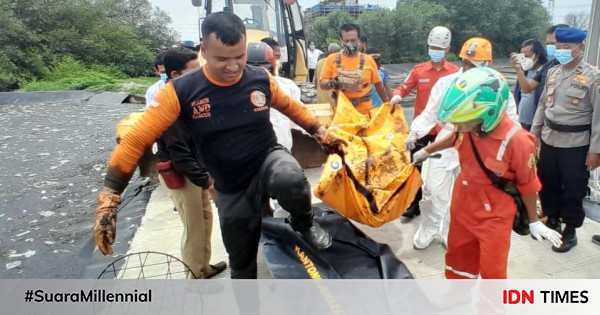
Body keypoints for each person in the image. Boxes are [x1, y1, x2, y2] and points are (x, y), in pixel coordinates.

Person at [93, 12, 345, 279]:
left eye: (239, 57)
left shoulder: (259, 78)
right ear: (203, 50)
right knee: (242, 262)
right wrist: (109, 198)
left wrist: (321, 132)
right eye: (222, 59)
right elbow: (136, 139)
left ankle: (304, 223)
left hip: (267, 158)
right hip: (230, 183)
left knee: (291, 178)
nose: (233, 67)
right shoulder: (180, 91)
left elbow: (291, 107)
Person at [413, 67, 562, 278]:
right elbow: (456, 137)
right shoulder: (470, 125)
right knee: (457, 259)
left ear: (488, 113)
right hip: (463, 206)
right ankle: (459, 297)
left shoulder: (517, 141)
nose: (457, 125)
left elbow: (528, 185)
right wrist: (427, 151)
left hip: (494, 216)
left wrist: (534, 220)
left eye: (461, 121)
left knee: (493, 270)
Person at [407, 37, 519, 249]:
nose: (466, 68)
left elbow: (512, 121)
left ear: (487, 64)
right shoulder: (447, 83)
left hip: (478, 149)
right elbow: (429, 115)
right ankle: (429, 228)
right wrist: (413, 134)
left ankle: (451, 232)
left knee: (464, 198)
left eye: (472, 64)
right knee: (432, 190)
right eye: (464, 63)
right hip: (446, 142)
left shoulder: (498, 89)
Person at [155, 47, 227, 279]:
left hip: (195, 170)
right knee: (193, 227)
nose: (200, 76)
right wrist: (207, 182)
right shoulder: (169, 104)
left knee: (205, 218)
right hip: (183, 174)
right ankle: (194, 276)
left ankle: (203, 267)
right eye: (193, 72)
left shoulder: (188, 97)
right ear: (175, 75)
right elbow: (180, 155)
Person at [530, 27, 600, 253]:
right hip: (550, 138)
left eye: (566, 48)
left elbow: (599, 116)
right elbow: (542, 106)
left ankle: (570, 229)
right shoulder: (553, 73)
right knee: (547, 182)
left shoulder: (593, 77)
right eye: (558, 47)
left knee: (573, 188)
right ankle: (552, 219)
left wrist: (596, 150)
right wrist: (534, 136)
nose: (561, 51)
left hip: (576, 143)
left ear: (580, 48)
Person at [391, 26, 459, 219]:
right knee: (415, 165)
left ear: (448, 49)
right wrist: (396, 96)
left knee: (443, 168)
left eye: (439, 47)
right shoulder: (419, 71)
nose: (435, 50)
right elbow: (403, 87)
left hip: (444, 131)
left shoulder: (455, 73)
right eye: (432, 46)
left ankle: (440, 208)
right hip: (421, 129)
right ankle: (414, 204)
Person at [319, 23, 389, 115]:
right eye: (346, 41)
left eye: (353, 40)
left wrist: (387, 105)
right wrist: (333, 83)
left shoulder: (368, 60)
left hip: (364, 113)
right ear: (341, 41)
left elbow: (379, 85)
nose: (349, 43)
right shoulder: (332, 59)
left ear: (359, 40)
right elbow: (322, 84)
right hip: (342, 112)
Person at [247, 41, 295, 151]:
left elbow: (298, 116)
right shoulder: (235, 89)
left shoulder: (288, 86)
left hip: (281, 149)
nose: (257, 75)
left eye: (262, 69)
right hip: (251, 152)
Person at [509, 24, 570, 106]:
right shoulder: (548, 66)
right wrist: (518, 69)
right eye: (547, 44)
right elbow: (527, 88)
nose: (549, 47)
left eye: (553, 44)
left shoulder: (587, 73)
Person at [509, 39, 548, 130]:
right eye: (522, 57)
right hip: (521, 122)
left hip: (537, 124)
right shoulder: (523, 72)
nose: (525, 60)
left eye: (528, 56)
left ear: (537, 55)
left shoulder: (545, 72)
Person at [314, 43, 340, 108]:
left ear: (328, 52)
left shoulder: (319, 63)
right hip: (335, 101)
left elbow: (315, 81)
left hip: (321, 101)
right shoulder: (340, 64)